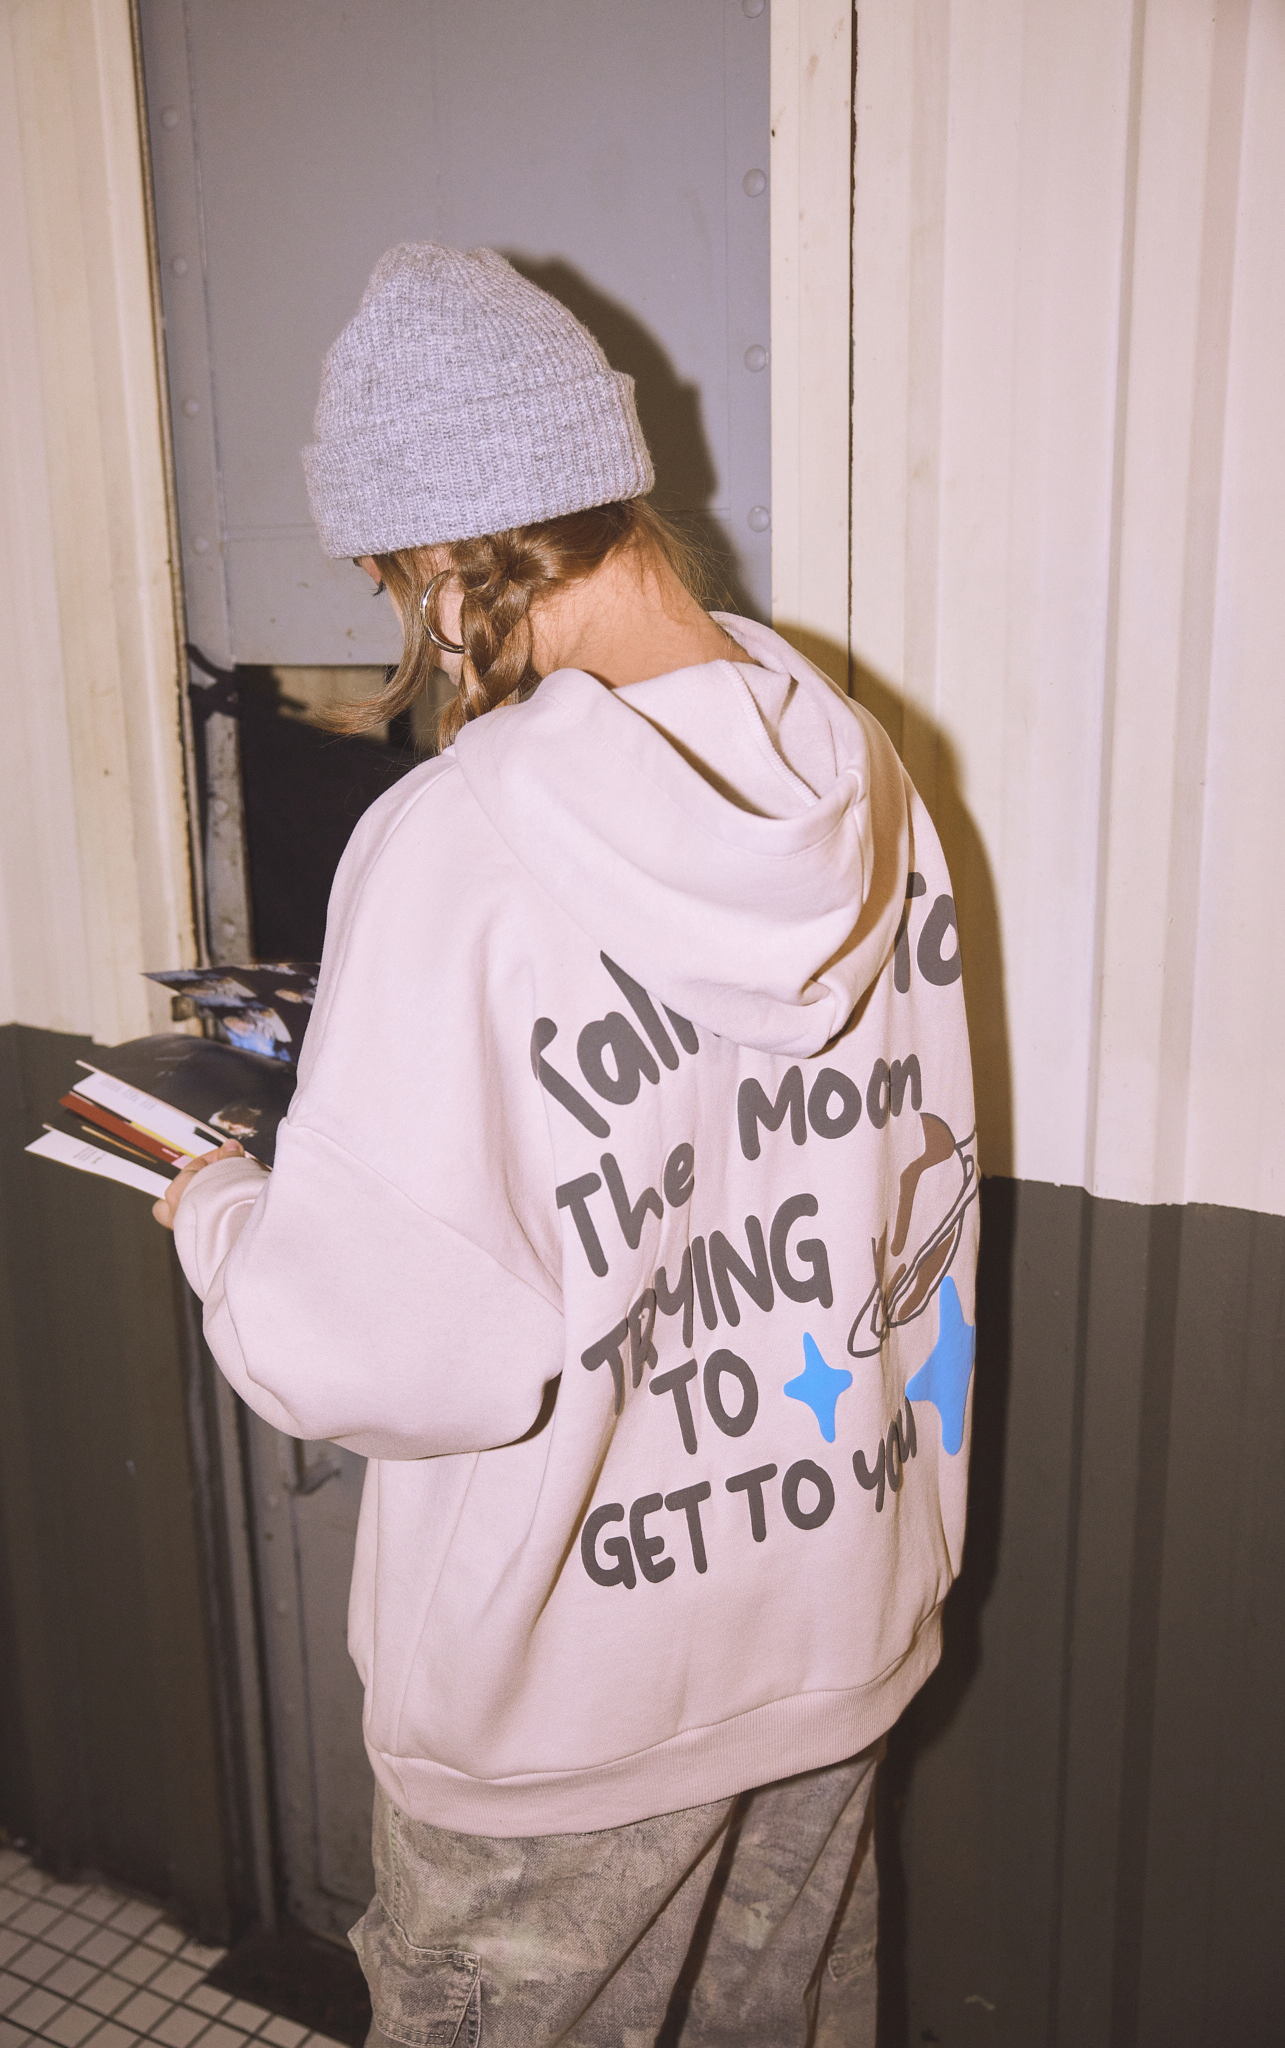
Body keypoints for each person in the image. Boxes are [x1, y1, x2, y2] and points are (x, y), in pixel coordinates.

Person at [155, 244, 978, 2047]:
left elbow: (372, 1350)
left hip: (564, 1703)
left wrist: (217, 1204)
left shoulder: (452, 840)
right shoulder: (860, 772)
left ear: (443, 563)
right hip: (829, 1616)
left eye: (390, 578)